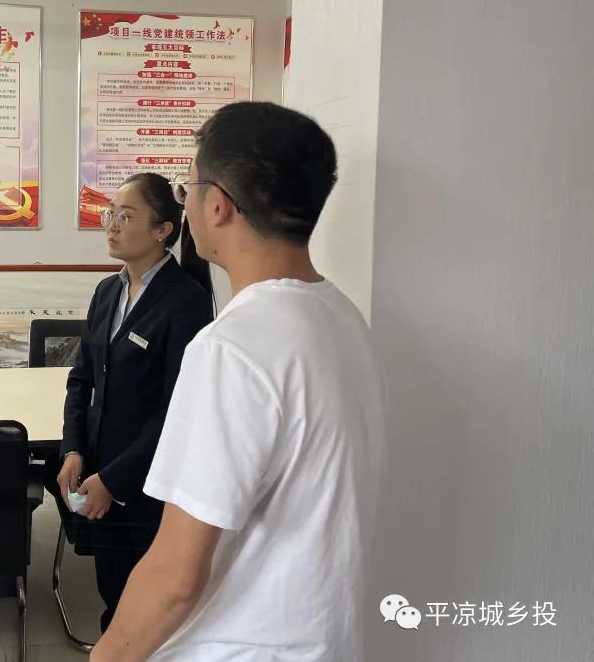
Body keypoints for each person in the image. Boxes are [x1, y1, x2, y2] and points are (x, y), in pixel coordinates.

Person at [90, 102, 386, 662]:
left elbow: (175, 575)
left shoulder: (232, 347)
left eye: (188, 188)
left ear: (218, 205)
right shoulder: (342, 317)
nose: (185, 204)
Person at [56, 172, 213, 633]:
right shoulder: (108, 291)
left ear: (163, 229)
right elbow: (82, 379)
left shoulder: (186, 301)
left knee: (150, 609)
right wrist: (72, 450)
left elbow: (176, 410)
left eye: (125, 216)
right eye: (110, 214)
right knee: (113, 594)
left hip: (148, 485)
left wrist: (115, 480)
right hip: (99, 474)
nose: (111, 225)